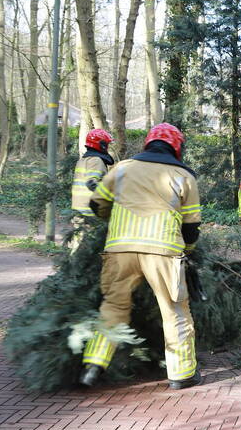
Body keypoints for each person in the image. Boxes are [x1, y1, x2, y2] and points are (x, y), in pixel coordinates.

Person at [79, 123, 202, 390]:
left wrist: (108, 219)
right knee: (174, 311)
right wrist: (189, 253)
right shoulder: (184, 176)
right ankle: (182, 375)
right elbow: (191, 226)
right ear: (177, 147)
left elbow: (96, 203)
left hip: (119, 249)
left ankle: (95, 363)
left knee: (113, 307)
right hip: (164, 251)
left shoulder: (122, 168)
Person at [70, 129, 115, 225]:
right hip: (90, 213)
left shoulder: (83, 160)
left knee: (80, 239)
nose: (108, 147)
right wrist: (110, 195)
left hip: (79, 210)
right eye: (107, 144)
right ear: (102, 145)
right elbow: (91, 183)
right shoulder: (96, 160)